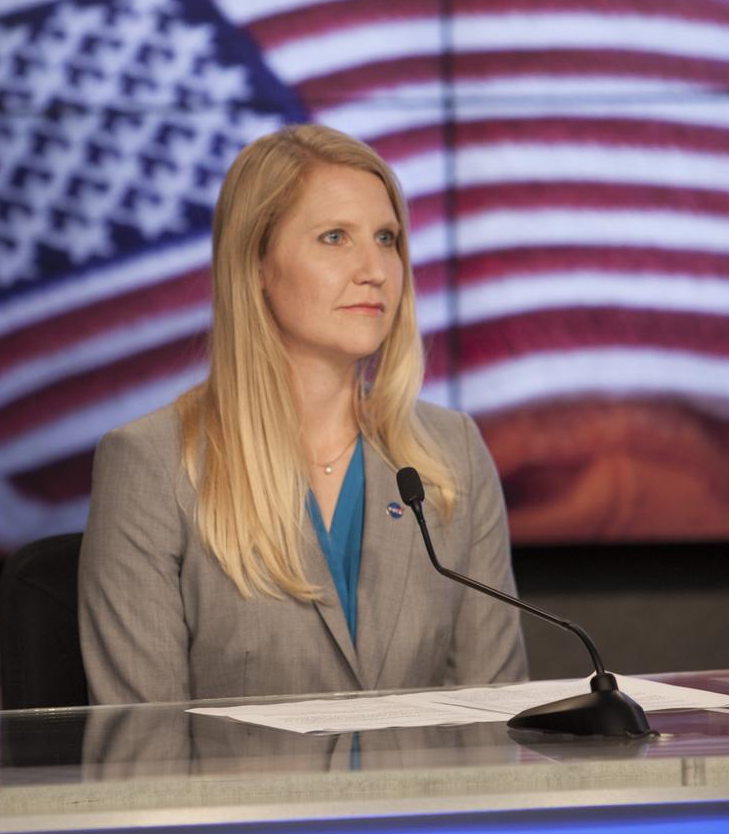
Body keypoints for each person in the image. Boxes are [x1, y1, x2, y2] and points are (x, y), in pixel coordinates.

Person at [79, 125, 527, 704]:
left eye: (386, 238)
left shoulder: (451, 452)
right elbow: (143, 743)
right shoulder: (152, 464)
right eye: (335, 237)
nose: (374, 269)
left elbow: (494, 716)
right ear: (256, 264)